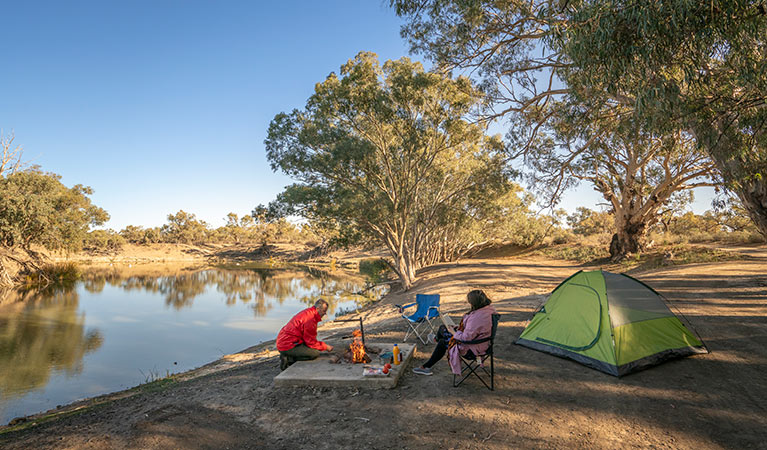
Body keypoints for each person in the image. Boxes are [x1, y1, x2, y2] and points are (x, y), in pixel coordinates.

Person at [412, 290, 496, 376]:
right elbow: (475, 330)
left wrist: (453, 332)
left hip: (472, 349)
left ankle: (426, 367)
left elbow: (466, 338)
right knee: (443, 328)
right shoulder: (487, 310)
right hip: (482, 343)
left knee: (442, 342)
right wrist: (458, 328)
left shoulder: (476, 317)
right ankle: (435, 339)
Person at [277, 299, 334, 370]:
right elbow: (311, 342)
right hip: (287, 344)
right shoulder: (310, 319)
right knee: (314, 353)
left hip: (288, 341)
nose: (325, 314)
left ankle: (288, 355)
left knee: (311, 349)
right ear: (318, 309)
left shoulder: (310, 313)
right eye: (324, 311)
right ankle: (288, 359)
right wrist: (325, 347)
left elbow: (309, 339)